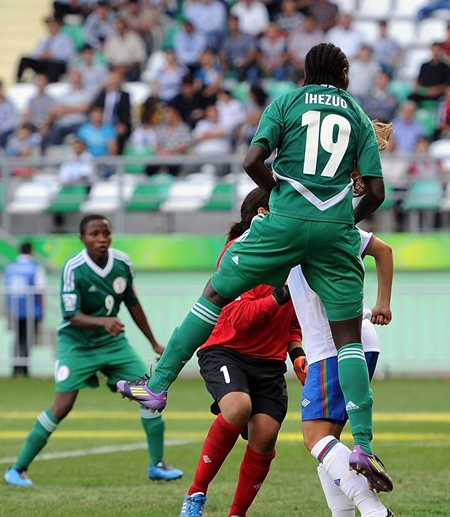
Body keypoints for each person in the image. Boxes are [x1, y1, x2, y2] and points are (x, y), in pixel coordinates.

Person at [117, 43, 394, 492]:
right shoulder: (359, 116)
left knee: (214, 294)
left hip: (282, 224)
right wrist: (339, 223)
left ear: (306, 72)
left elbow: (251, 162)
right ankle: (362, 444)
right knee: (349, 342)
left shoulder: (285, 103)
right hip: (334, 230)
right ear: (343, 74)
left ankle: (158, 383)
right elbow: (376, 193)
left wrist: (283, 198)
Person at [3, 215, 183, 487]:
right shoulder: (74, 268)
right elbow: (71, 314)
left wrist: (153, 342)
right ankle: (17, 469)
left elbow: (133, 303)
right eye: (94, 234)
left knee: (151, 392)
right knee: (62, 405)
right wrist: (103, 321)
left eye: (106, 233)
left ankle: (157, 465)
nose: (101, 239)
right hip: (77, 344)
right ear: (82, 238)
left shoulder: (122, 263)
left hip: (112, 344)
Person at [179, 189, 306, 517]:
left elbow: (292, 320)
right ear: (264, 212)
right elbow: (237, 316)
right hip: (225, 350)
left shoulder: (292, 254)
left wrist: (298, 354)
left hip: (270, 363)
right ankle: (195, 494)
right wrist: (280, 296)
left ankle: (237, 514)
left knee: (265, 436)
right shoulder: (239, 251)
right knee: (237, 407)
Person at [293, 225, 395, 517]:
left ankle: (375, 511)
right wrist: (383, 304)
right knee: (329, 445)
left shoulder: (287, 230)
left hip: (332, 346)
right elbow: (384, 250)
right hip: (363, 338)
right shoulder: (333, 222)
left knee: (315, 437)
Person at [4, 242, 46, 377]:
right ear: (31, 251)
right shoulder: (35, 268)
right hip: (32, 310)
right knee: (29, 338)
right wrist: (42, 308)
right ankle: (25, 368)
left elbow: (6, 288)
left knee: (18, 338)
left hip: (15, 309)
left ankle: (16, 368)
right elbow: (40, 290)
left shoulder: (10, 267)